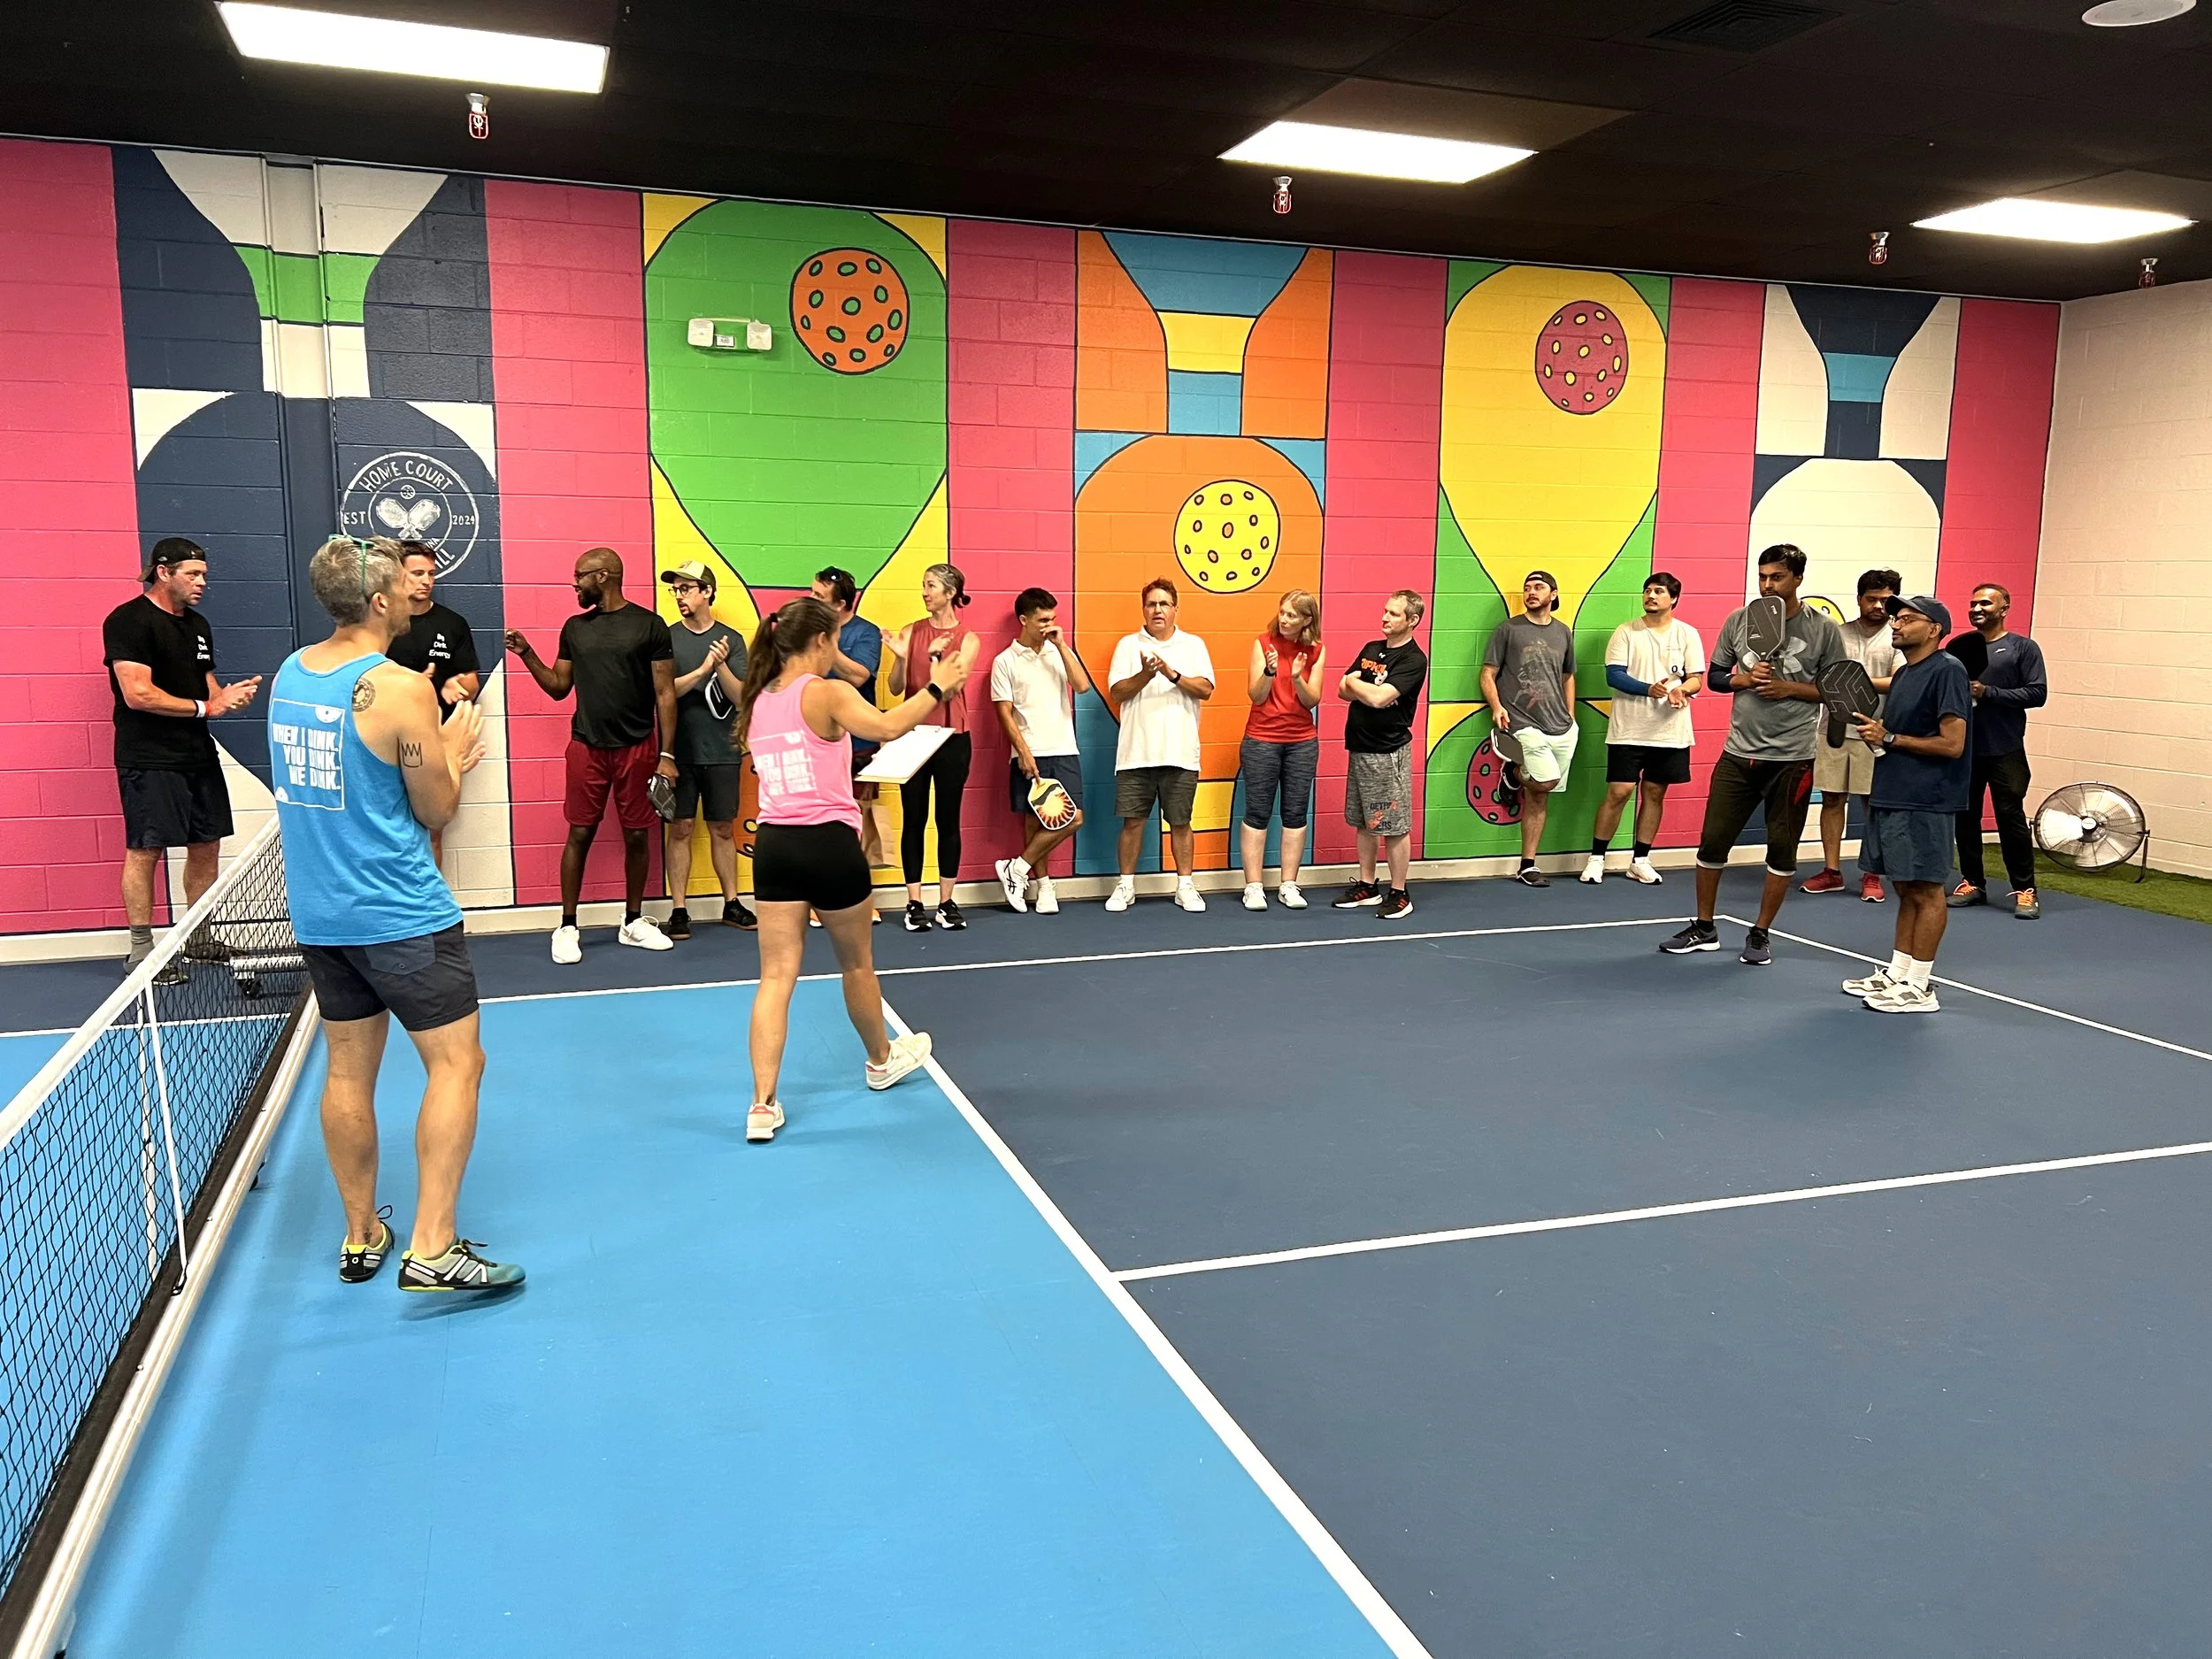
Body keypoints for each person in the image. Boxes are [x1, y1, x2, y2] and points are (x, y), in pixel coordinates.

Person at [268, 535, 518, 1293]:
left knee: (348, 1071)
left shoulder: (290, 673)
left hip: (322, 916)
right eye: (402, 587)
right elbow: (435, 807)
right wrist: (451, 749)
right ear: (378, 602)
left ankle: (361, 1233)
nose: (416, 593)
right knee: (458, 1064)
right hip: (401, 912)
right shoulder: (402, 689)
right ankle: (433, 1247)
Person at [733, 598, 954, 1142]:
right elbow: (887, 726)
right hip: (829, 845)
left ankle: (761, 1105)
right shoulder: (827, 692)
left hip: (775, 848)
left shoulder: (758, 699)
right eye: (834, 638)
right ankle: (880, 1061)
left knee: (775, 976)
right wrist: (937, 686)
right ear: (820, 641)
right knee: (856, 965)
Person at [1660, 543, 1845, 964]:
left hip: (1793, 759)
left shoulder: (1823, 630)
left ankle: (1760, 933)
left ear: (1798, 579)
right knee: (1712, 843)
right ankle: (1704, 927)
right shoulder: (1739, 620)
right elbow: (1716, 677)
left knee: (1781, 849)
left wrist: (1790, 688)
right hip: (1738, 754)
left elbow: (1836, 690)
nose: (1767, 585)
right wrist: (1743, 679)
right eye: (1762, 576)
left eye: (1777, 577)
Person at [503, 548, 680, 964]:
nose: (574, 583)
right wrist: (527, 653)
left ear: (602, 576)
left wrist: (667, 754)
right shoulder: (575, 628)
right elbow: (558, 687)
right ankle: (567, 926)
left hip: (638, 747)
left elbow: (665, 693)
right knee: (580, 833)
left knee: (637, 835)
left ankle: (632, 922)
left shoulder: (650, 625)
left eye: (579, 575)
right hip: (587, 747)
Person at [104, 537, 262, 985]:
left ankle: (199, 938)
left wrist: (226, 698)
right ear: (163, 572)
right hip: (148, 757)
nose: (202, 582)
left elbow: (206, 687)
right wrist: (205, 707)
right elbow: (138, 694)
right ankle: (141, 950)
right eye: (193, 574)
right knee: (145, 849)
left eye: (204, 575)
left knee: (206, 843)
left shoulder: (198, 625)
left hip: (197, 754)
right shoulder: (128, 621)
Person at [1841, 595, 1972, 1014]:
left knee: (1927, 889)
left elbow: (1953, 744)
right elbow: (1894, 738)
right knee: (1904, 886)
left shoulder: (1948, 670)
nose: (1896, 624)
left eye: (1907, 619)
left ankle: (1920, 986)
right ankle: (1898, 973)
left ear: (1934, 630)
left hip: (1927, 799)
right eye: (1896, 618)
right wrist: (1880, 737)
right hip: (1891, 793)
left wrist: (1891, 738)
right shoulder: (1904, 674)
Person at [1105, 579, 1217, 914]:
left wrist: (1171, 674)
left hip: (1180, 754)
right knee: (1132, 822)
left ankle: (1185, 886)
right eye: (1151, 604)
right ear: (1143, 609)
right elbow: (1117, 692)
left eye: (1164, 604)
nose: (1158, 610)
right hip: (1135, 753)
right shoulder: (1128, 645)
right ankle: (1126, 886)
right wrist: (1145, 674)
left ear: (1175, 609)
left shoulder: (1193, 645)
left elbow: (1206, 689)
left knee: (1180, 823)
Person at [657, 560, 755, 937]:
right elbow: (662, 692)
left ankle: (732, 903)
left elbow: (741, 697)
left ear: (707, 592)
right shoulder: (667, 638)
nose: (679, 596)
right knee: (680, 828)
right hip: (679, 752)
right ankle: (679, 910)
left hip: (723, 751)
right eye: (675, 590)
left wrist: (720, 665)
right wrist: (701, 671)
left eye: (686, 589)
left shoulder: (731, 640)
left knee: (723, 828)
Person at [1587, 572, 1701, 886]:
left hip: (1670, 731)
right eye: (1647, 590)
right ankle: (1597, 859)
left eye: (1659, 591)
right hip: (1628, 728)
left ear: (1673, 598)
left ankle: (1640, 861)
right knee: (1619, 792)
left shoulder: (1688, 634)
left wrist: (1681, 691)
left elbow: (1696, 679)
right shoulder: (1626, 632)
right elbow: (1614, 676)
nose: (1651, 596)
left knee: (1654, 792)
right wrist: (1647, 689)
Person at [886, 564, 980, 931]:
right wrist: (900, 657)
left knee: (947, 819)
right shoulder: (911, 632)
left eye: (931, 586)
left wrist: (937, 658)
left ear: (951, 592)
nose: (925, 592)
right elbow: (896, 687)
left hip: (952, 737)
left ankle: (946, 902)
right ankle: (914, 902)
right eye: (923, 585)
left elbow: (952, 689)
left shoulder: (968, 639)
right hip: (913, 735)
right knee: (914, 819)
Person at [1946, 583, 2048, 920]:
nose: (1977, 608)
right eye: (1973, 603)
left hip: (2005, 749)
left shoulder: (2022, 648)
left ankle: (2025, 890)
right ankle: (1972, 882)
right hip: (1964, 748)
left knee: (2010, 817)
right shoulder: (1958, 648)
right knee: (1965, 817)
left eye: (1986, 603)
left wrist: (1989, 692)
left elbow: (2037, 693)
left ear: (2004, 609)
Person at [381, 540, 482, 871]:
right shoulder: (381, 622)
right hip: (386, 740)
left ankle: (432, 902)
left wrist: (458, 685)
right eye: (417, 573)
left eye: (431, 574)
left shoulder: (452, 624)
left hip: (436, 740)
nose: (426, 580)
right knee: (389, 833)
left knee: (432, 832)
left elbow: (471, 681)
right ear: (397, 575)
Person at [1801, 568, 1901, 901]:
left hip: (1875, 732)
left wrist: (1853, 682)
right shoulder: (1837, 635)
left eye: (1885, 600)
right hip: (1833, 729)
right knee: (1832, 799)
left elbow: (1898, 680)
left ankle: (1872, 874)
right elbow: (1818, 679)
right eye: (1872, 599)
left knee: (1873, 804)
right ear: (1859, 599)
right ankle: (1832, 871)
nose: (1878, 606)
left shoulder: (1897, 636)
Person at [990, 587, 1091, 915]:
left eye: (1053, 619)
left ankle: (1016, 869)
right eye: (1043, 620)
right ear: (1024, 620)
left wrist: (1061, 644)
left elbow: (1082, 686)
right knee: (1035, 822)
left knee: (1073, 818)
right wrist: (1023, 752)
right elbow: (1004, 713)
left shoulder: (1057, 652)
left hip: (1064, 749)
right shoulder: (1004, 661)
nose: (1050, 625)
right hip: (1029, 751)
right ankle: (1044, 886)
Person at [1333, 589, 1429, 921]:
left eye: (1394, 613)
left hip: (1388, 754)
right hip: (1360, 747)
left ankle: (1399, 892)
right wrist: (1361, 688)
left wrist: (1357, 685)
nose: (1385, 617)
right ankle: (1367, 885)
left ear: (1412, 620)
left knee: (1393, 826)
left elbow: (1377, 698)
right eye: (1385, 611)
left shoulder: (1414, 659)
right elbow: (1342, 689)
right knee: (1364, 822)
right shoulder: (1371, 649)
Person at [1481, 571, 1577, 887]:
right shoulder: (1508, 629)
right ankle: (1513, 771)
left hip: (1561, 726)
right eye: (1527, 588)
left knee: (1540, 794)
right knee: (1546, 781)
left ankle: (1527, 865)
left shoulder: (1563, 632)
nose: (1531, 592)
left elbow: (1568, 676)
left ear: (1553, 594)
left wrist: (1571, 716)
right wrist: (1497, 706)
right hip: (1522, 721)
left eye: (1538, 587)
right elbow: (1488, 673)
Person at [1237, 589, 1326, 910]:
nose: (1284, 619)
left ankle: (1289, 884)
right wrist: (1271, 672)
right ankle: (1253, 886)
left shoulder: (1317, 650)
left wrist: (1297, 678)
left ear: (1307, 620)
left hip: (1301, 742)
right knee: (1257, 812)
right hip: (1262, 739)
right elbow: (1256, 696)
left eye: (1292, 615)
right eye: (1282, 612)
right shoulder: (1263, 644)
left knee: (1296, 813)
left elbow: (1312, 699)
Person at [810, 566, 889, 875]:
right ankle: (823, 889)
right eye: (812, 593)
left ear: (840, 604)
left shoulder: (866, 632)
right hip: (817, 740)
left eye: (819, 596)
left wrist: (829, 647)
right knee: (819, 816)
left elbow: (859, 676)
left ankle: (855, 888)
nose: (812, 600)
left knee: (858, 816)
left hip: (859, 744)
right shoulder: (807, 631)